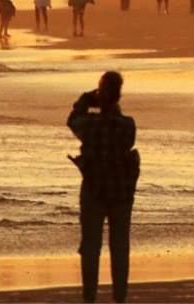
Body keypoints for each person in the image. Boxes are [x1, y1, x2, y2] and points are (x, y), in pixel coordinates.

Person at [67, 71, 138, 304]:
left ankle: (90, 298)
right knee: (120, 246)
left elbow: (73, 120)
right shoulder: (128, 125)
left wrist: (87, 99)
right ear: (119, 96)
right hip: (121, 192)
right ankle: (120, 297)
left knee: (90, 247)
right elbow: (126, 142)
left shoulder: (89, 124)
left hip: (94, 191)